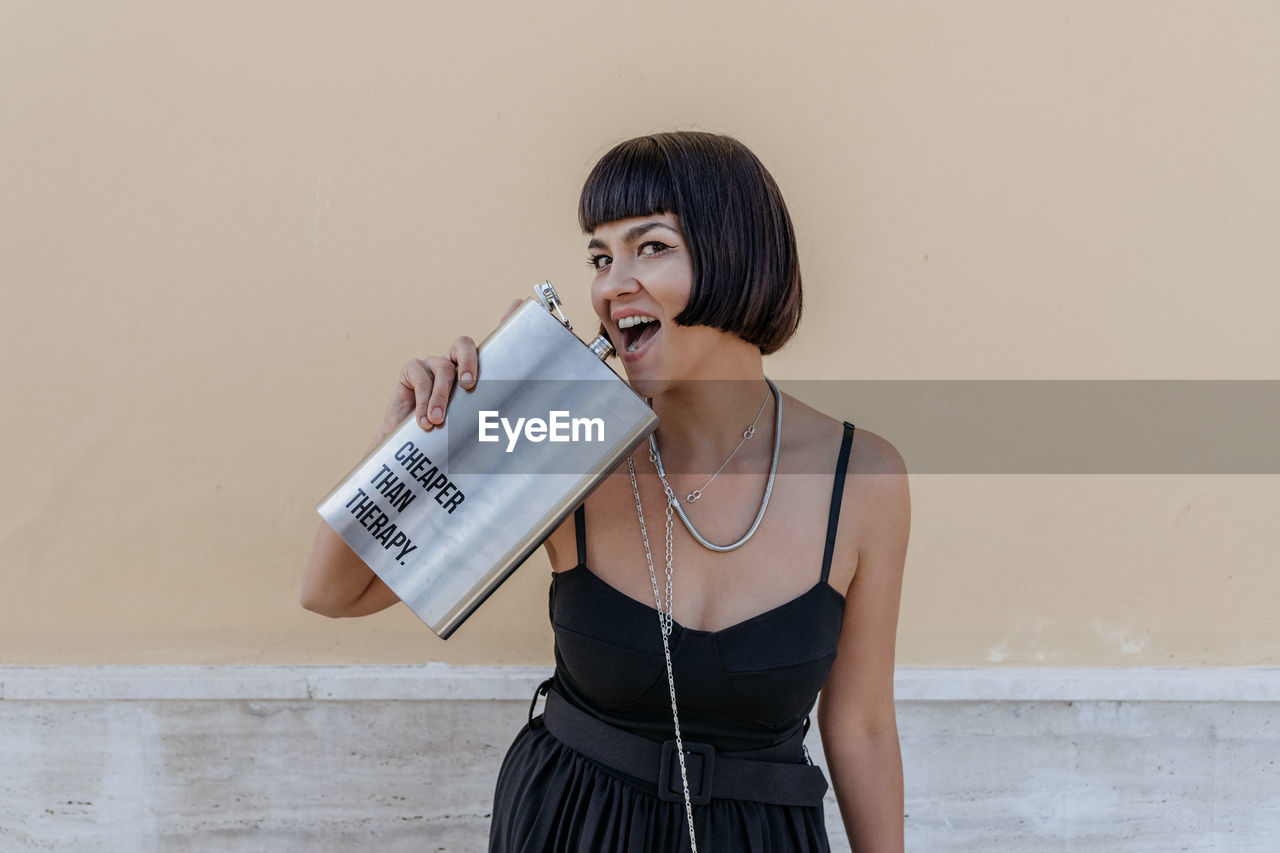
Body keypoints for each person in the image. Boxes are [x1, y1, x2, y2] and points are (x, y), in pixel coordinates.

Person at [301, 131, 910, 852]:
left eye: (651, 246)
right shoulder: (557, 436)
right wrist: (413, 441)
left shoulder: (861, 476)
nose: (612, 283)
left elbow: (863, 724)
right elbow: (334, 590)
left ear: (737, 253)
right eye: (600, 256)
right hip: (570, 827)